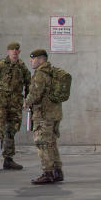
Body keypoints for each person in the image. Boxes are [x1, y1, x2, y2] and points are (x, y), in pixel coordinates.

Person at [0, 41, 30, 170]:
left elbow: (29, 83)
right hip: (1, 104)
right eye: (12, 50)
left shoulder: (22, 66)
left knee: (11, 132)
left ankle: (8, 159)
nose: (14, 52)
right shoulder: (0, 65)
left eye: (16, 50)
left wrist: (27, 100)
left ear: (19, 52)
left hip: (16, 104)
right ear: (8, 51)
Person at [23, 49, 64, 185]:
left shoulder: (40, 74)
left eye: (33, 59)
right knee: (51, 142)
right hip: (55, 113)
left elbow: (35, 92)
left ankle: (48, 173)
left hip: (43, 115)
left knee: (42, 143)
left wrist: (26, 103)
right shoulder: (52, 71)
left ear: (41, 59)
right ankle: (58, 171)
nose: (31, 61)